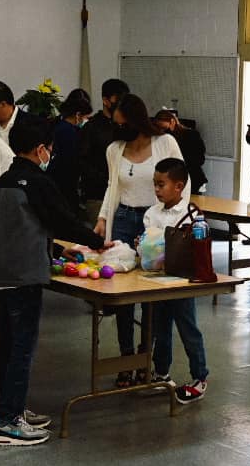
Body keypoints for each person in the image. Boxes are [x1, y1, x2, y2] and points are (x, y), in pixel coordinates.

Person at [0, 115, 106, 446]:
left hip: (2, 275)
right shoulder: (37, 183)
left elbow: (23, 227)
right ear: (41, 149)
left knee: (9, 346)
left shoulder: (3, 182)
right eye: (50, 149)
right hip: (25, 277)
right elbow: (62, 220)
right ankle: (8, 422)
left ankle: (12, 408)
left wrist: (52, 250)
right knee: (22, 347)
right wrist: (97, 242)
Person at [95, 93, 187, 359]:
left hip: (155, 222)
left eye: (123, 124)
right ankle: (126, 356)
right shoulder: (114, 149)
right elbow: (112, 186)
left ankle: (147, 353)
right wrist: (102, 218)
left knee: (150, 289)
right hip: (123, 218)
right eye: (116, 124)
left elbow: (183, 181)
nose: (119, 129)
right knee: (123, 291)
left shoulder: (165, 143)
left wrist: (174, 219)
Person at [146, 158, 213, 404]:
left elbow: (199, 247)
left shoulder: (192, 214)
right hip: (156, 282)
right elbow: (147, 244)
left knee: (188, 328)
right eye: (154, 184)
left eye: (161, 184)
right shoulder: (151, 213)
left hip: (182, 283)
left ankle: (199, 377)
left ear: (179, 186)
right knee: (159, 327)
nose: (156, 190)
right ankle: (161, 372)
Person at [80, 78, 130, 223]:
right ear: (106, 100)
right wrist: (105, 178)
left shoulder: (127, 126)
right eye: (117, 99)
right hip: (98, 196)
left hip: (124, 195)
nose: (121, 103)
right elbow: (82, 161)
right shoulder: (91, 127)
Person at [48, 88, 93, 205]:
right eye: (85, 117)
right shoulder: (71, 133)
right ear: (78, 115)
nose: (86, 120)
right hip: (65, 187)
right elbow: (72, 163)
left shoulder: (57, 126)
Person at [154, 108, 208, 193]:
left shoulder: (191, 135)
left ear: (172, 122)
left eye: (164, 128)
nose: (162, 131)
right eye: (159, 128)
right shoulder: (160, 139)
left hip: (192, 178)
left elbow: (200, 159)